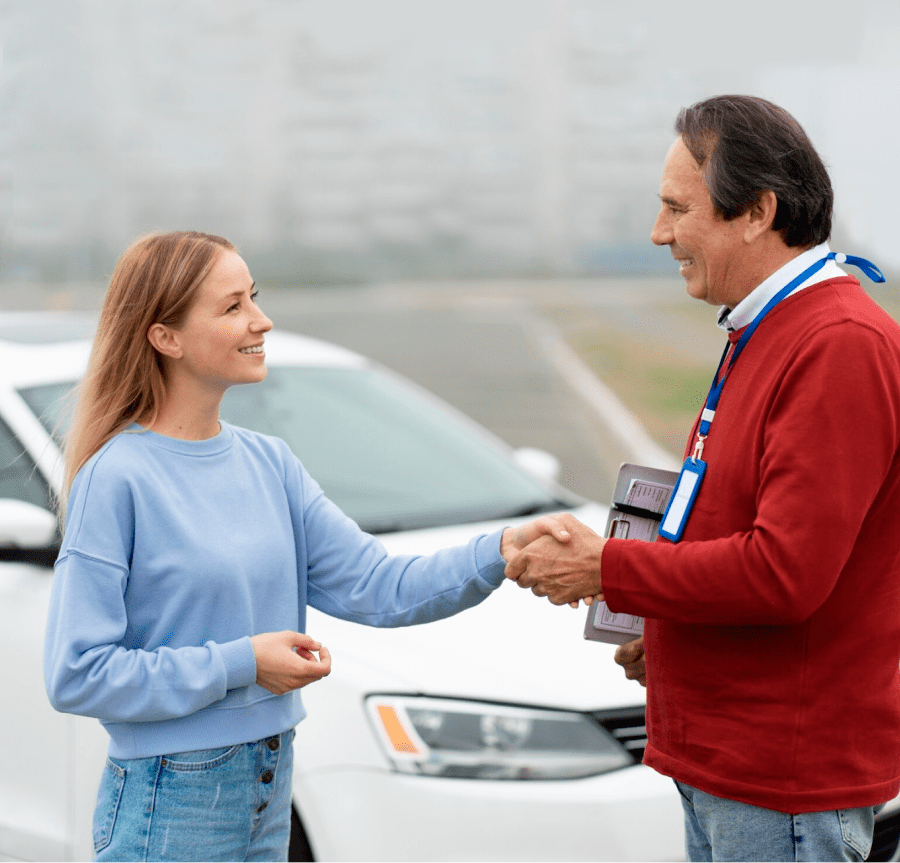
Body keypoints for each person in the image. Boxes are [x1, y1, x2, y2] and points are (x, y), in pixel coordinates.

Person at [43, 230, 568, 863]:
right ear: (166, 337)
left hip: (268, 784)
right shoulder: (117, 477)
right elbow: (77, 674)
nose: (260, 320)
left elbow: (381, 588)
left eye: (254, 297)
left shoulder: (270, 463)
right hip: (170, 799)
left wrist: (502, 549)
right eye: (232, 306)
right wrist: (244, 662)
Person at [505, 95, 900, 862]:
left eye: (677, 208)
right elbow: (730, 527)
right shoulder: (765, 327)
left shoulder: (838, 344)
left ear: (756, 211)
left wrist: (608, 567)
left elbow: (784, 573)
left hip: (779, 776)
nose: (660, 233)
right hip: (730, 761)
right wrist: (667, 630)